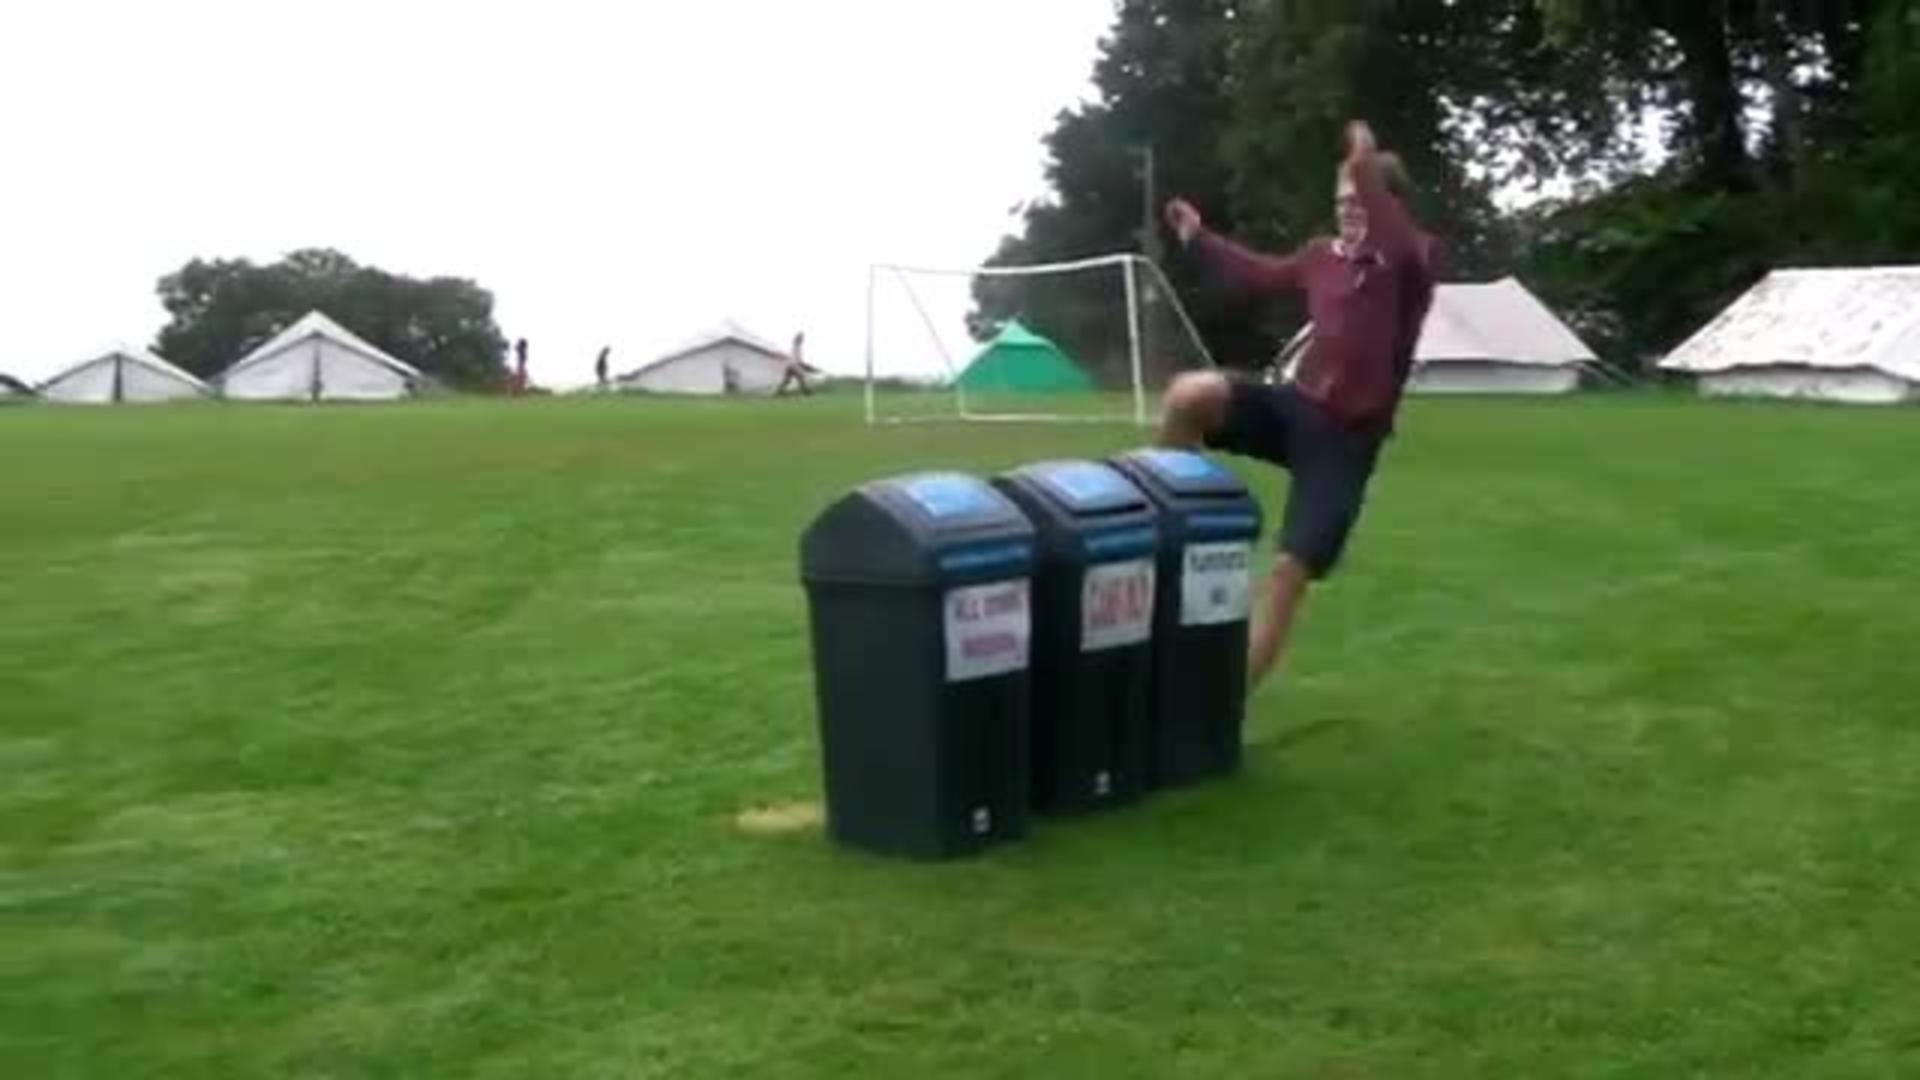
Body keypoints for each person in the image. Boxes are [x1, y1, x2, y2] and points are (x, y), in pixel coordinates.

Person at [1157, 120, 1441, 693]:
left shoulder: (1413, 261)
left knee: (1289, 570)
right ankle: (1166, 522)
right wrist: (1200, 236)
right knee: (1189, 396)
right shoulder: (1322, 257)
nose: (1349, 211)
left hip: (1345, 441)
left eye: (1361, 200)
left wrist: (1361, 157)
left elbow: (1394, 233)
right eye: (1341, 201)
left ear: (1388, 207)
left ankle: (1220, 706)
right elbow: (1262, 273)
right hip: (1295, 408)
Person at [777, 331, 813, 396]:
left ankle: (779, 393)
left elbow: (798, 358)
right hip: (793, 366)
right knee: (800, 379)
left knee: (787, 381)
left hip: (791, 366)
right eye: (801, 338)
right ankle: (807, 393)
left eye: (802, 338)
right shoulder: (796, 347)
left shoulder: (797, 346)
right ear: (798, 339)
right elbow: (797, 359)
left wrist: (804, 365)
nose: (802, 340)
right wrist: (804, 366)